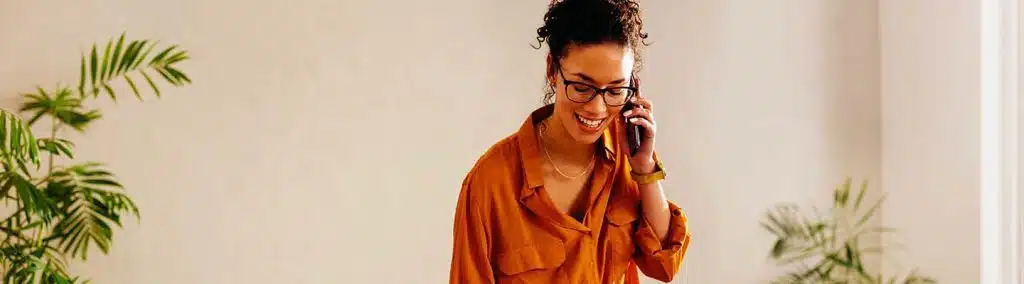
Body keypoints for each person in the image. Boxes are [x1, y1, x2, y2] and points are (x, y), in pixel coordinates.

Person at [448, 0, 691, 283]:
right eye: (581, 87)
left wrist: (645, 168)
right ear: (552, 70)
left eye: (615, 90)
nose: (598, 109)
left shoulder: (628, 158)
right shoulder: (490, 183)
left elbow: (664, 264)